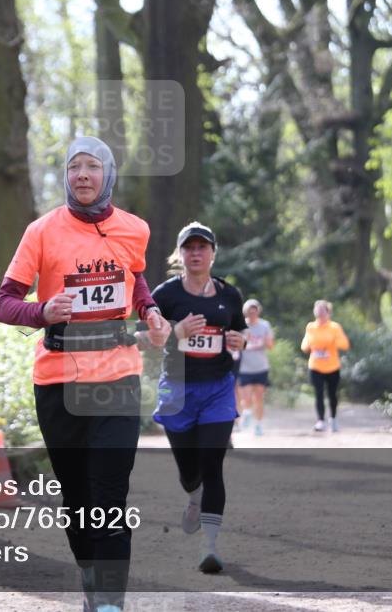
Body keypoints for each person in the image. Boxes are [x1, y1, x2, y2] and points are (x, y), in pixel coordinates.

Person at [0, 136, 170, 612]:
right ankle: (92, 582)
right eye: (75, 167)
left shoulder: (134, 228)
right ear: (66, 176)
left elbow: (135, 278)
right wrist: (43, 310)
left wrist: (150, 311)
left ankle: (110, 602)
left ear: (108, 173)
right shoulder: (41, 231)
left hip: (117, 378)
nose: (83, 175)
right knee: (77, 501)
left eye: (93, 166)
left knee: (109, 497)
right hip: (58, 382)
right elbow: (3, 302)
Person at [150, 222, 247, 574]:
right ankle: (193, 496)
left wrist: (241, 340)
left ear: (212, 254)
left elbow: (240, 331)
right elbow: (145, 336)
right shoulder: (165, 295)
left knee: (212, 463)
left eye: (201, 247)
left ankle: (210, 545)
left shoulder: (229, 295)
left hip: (218, 388)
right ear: (179, 255)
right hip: (177, 389)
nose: (195, 253)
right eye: (189, 248)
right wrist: (175, 331)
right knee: (190, 471)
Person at [300, 299, 350, 432]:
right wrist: (308, 346)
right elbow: (305, 344)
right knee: (319, 393)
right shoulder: (310, 327)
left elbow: (344, 344)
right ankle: (320, 421)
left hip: (332, 367)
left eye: (323, 310)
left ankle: (333, 419)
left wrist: (332, 343)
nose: (320, 313)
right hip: (315, 366)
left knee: (332, 394)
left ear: (328, 312)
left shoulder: (334, 327)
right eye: (318, 310)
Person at [237, 299, 274, 435]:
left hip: (261, 367)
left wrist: (264, 342)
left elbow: (270, 345)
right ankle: (247, 412)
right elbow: (236, 344)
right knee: (245, 398)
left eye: (254, 311)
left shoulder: (264, 325)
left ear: (258, 312)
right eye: (249, 312)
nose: (252, 314)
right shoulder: (241, 326)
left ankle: (258, 424)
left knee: (258, 398)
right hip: (244, 368)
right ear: (245, 312)